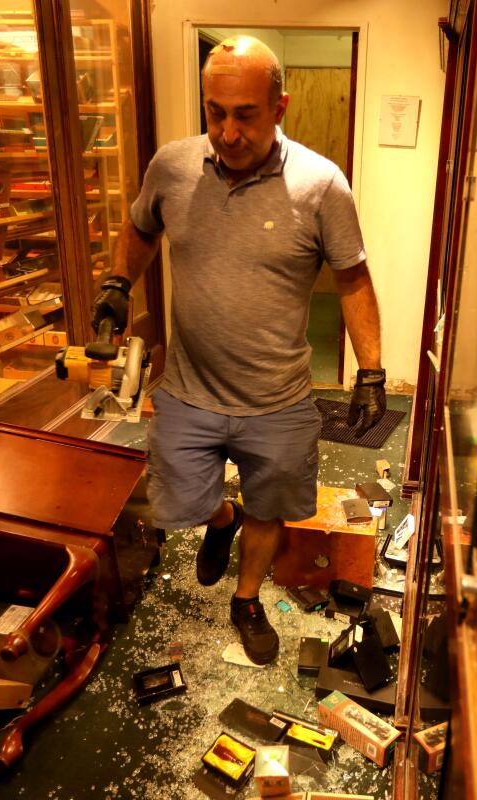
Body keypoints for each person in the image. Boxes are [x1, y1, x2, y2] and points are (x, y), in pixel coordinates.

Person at [92, 36, 386, 664]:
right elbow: (141, 228)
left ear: (279, 107)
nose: (227, 131)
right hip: (189, 390)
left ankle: (245, 599)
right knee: (178, 506)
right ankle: (218, 522)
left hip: (277, 398)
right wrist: (118, 282)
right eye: (214, 111)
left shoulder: (321, 185)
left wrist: (372, 372)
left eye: (245, 113)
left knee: (271, 506)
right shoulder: (171, 167)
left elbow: (353, 278)